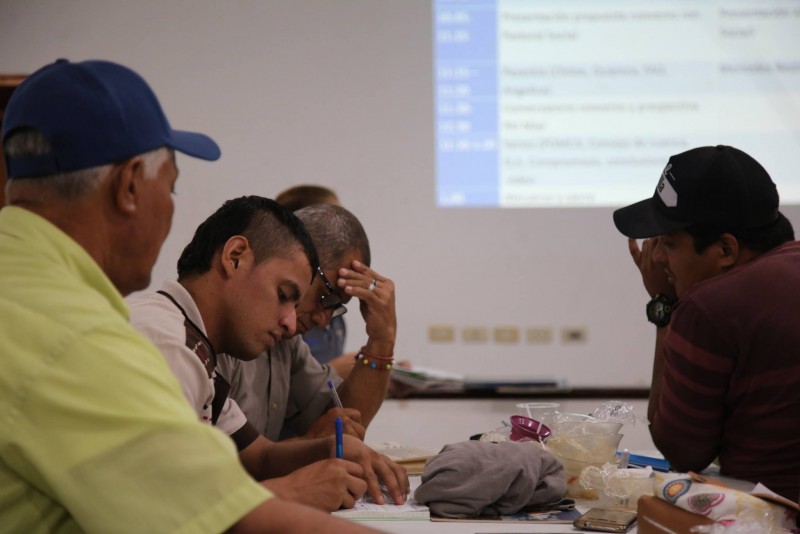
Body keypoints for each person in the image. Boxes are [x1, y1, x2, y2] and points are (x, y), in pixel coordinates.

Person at [0, 58, 378, 533]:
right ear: (131, 185)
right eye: (172, 187)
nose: (290, 321)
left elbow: (253, 458)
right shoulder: (81, 338)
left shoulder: (26, 294)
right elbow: (223, 520)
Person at [128, 195, 409, 510]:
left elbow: (259, 457)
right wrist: (291, 491)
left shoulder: (196, 344)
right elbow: (158, 502)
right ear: (235, 257)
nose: (291, 323)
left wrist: (327, 449)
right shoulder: (169, 343)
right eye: (285, 295)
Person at [613, 144, 800, 501]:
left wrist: (664, 306)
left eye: (668, 243)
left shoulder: (710, 306)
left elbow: (682, 452)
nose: (658, 259)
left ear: (725, 250)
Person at [219, 203, 397, 443]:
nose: (323, 321)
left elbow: (342, 424)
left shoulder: (286, 345)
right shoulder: (211, 333)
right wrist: (309, 445)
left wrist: (382, 339)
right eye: (326, 296)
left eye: (335, 307)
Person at [275, 184, 352, 376]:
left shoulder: (335, 314)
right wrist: (333, 371)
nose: (344, 236)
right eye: (334, 225)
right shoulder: (282, 314)